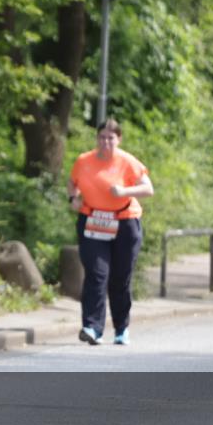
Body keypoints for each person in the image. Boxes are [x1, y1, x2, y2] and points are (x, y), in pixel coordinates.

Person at [67, 119, 153, 346]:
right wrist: (73, 198)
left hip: (124, 221)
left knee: (120, 278)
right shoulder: (84, 161)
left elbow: (148, 188)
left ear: (119, 140)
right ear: (97, 139)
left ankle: (121, 328)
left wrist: (125, 190)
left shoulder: (127, 162)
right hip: (93, 220)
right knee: (96, 274)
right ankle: (92, 328)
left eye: (110, 138)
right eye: (102, 137)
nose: (106, 142)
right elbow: (72, 182)